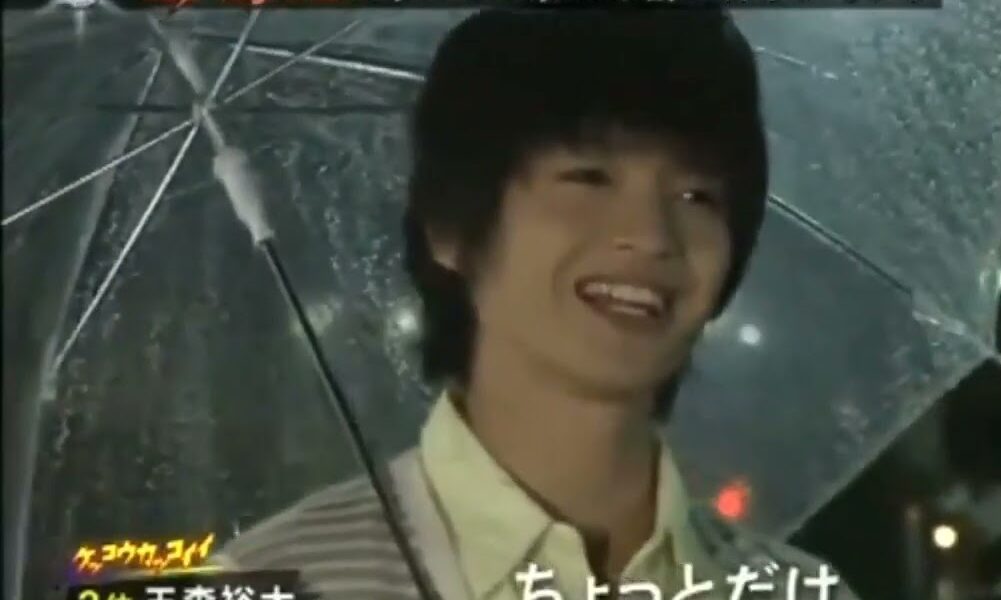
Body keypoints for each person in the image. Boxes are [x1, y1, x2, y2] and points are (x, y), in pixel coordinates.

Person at [210, 9, 857, 600]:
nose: (651, 235)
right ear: (451, 227)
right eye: (589, 177)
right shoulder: (282, 582)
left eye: (697, 196)